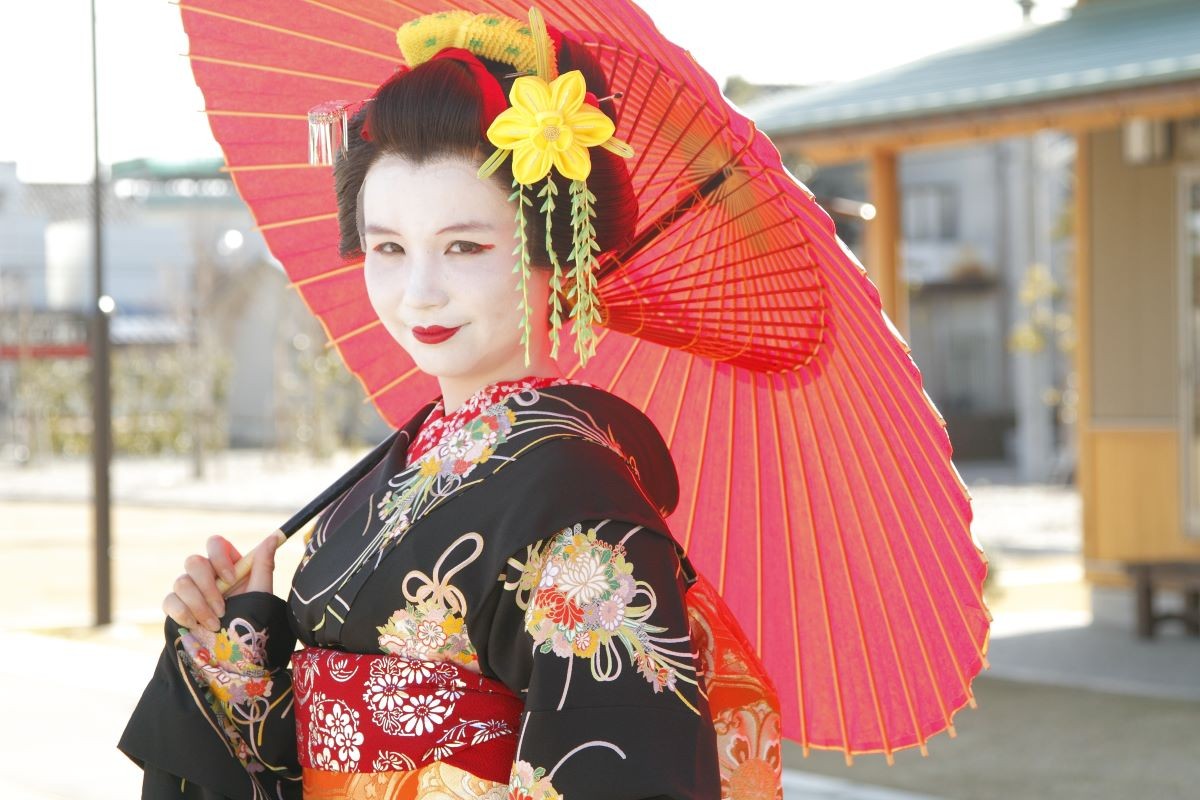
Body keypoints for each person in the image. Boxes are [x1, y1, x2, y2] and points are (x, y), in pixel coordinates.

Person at [119, 8, 783, 800]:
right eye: (388, 248)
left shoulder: (583, 503)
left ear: (559, 255)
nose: (418, 291)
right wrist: (238, 647)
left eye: (465, 247)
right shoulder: (395, 469)